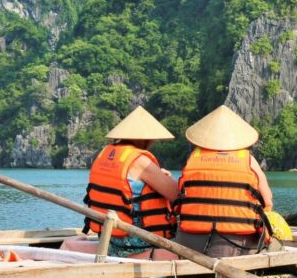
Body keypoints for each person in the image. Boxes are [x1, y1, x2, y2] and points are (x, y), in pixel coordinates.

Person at [61, 106, 179, 260]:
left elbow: (127, 184)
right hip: (137, 242)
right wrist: (167, 179)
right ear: (145, 139)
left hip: (109, 239)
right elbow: (177, 195)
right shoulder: (140, 161)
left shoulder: (105, 154)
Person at [173, 105, 276, 258]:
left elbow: (180, 197)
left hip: (189, 241)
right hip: (232, 241)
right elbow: (267, 201)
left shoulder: (193, 159)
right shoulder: (248, 160)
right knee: (276, 245)